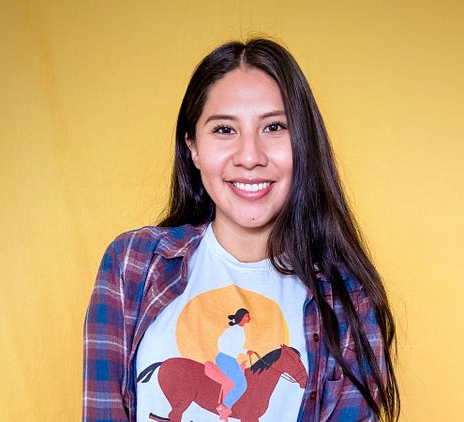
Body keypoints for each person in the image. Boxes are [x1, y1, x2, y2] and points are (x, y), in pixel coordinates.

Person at [83, 38, 399, 422]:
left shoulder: (348, 300)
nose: (250, 157)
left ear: (304, 144)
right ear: (193, 147)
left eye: (274, 126)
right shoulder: (131, 265)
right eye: (224, 130)